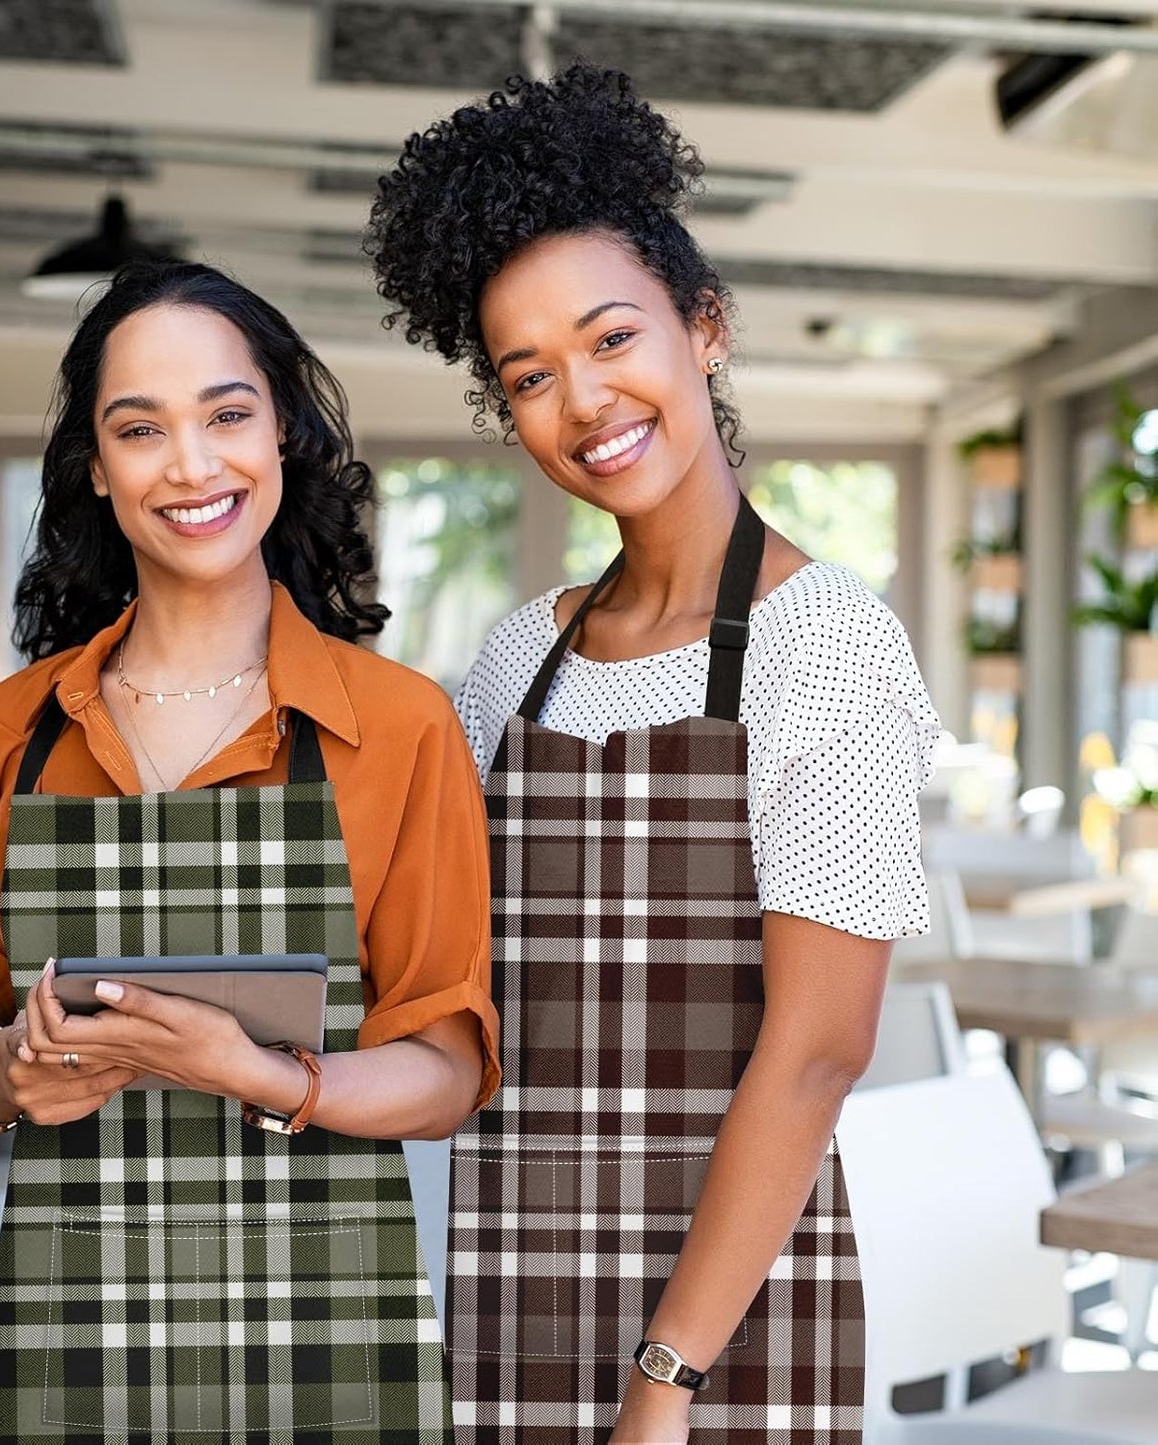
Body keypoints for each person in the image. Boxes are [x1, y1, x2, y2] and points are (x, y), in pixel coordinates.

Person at [367, 63, 940, 1445]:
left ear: (705, 328)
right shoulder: (515, 659)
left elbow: (815, 1053)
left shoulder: (829, 648)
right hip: (511, 1280)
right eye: (529, 376)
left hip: (724, 1320)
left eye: (612, 337)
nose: (584, 399)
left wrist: (660, 1388)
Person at [0, 259, 499, 1444]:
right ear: (98, 466)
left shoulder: (395, 727)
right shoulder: (10, 734)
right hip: (66, 1329)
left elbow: (445, 1067)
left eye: (227, 415)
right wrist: (3, 1072)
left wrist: (260, 1072)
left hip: (331, 1332)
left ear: (282, 431)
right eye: (141, 429)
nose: (191, 465)